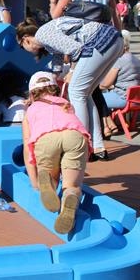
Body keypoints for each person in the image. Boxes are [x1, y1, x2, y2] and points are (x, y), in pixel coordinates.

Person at [18, 14, 123, 161]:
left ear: (25, 39)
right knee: (86, 94)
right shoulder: (47, 38)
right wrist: (54, 76)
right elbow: (59, 56)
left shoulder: (42, 34)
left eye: (22, 47)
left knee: (75, 92)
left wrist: (72, 72)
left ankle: (79, 147)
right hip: (113, 40)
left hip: (99, 42)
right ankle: (98, 147)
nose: (25, 50)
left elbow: (76, 49)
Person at [22, 71, 89, 234]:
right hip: (74, 136)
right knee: (72, 185)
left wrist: (34, 182)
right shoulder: (66, 104)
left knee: (50, 175)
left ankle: (48, 184)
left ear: (31, 94)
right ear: (56, 90)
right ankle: (70, 195)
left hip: (46, 138)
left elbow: (27, 147)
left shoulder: (31, 111)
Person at [99, 31, 140, 135]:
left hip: (124, 98)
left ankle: (106, 126)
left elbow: (106, 84)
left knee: (97, 98)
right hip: (138, 99)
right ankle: (113, 123)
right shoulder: (137, 60)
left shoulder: (119, 61)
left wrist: (97, 85)